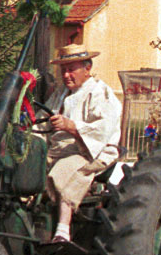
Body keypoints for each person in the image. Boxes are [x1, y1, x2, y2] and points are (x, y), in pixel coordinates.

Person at [46, 43, 123, 244]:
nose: (66, 75)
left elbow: (102, 130)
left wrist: (70, 125)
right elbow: (44, 117)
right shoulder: (61, 93)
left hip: (92, 151)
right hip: (59, 148)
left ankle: (62, 230)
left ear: (87, 68)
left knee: (64, 170)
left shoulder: (100, 93)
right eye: (63, 70)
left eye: (71, 69)